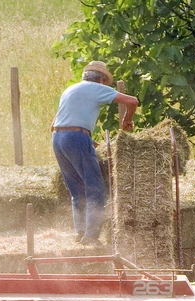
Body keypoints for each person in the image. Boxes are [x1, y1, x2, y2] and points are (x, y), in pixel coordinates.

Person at [51, 61, 138, 247]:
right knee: (96, 190)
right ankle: (91, 237)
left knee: (77, 190)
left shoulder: (70, 89)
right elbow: (132, 101)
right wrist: (126, 120)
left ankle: (80, 232)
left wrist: (85, 139)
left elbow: (55, 124)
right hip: (75, 137)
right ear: (101, 80)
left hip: (58, 139)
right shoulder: (96, 88)